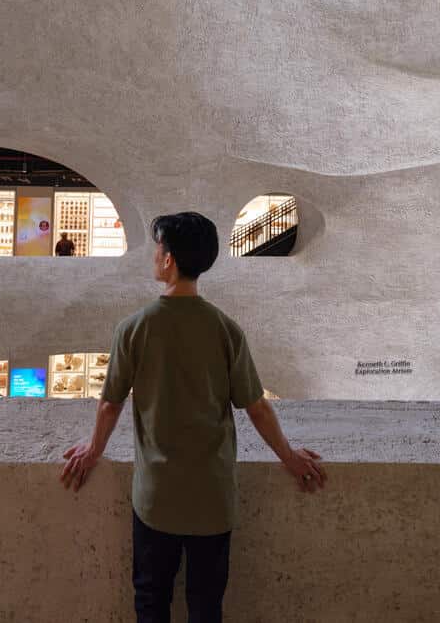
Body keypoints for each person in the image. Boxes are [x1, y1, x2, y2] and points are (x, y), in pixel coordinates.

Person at [60, 211, 326, 622]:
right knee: (206, 608)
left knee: (151, 602)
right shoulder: (226, 330)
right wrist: (289, 457)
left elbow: (111, 403)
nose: (154, 255)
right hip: (212, 497)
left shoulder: (134, 328)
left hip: (156, 497)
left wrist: (94, 449)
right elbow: (256, 406)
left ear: (169, 259)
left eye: (157, 247)